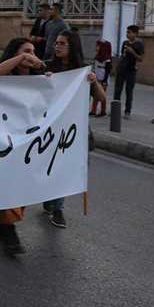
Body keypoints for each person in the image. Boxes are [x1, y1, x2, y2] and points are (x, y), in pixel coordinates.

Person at [42, 30, 106, 228]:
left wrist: (93, 80)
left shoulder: (82, 71)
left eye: (62, 43)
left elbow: (101, 98)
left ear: (72, 47)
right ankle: (49, 197)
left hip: (75, 130)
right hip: (52, 128)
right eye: (56, 43)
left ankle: (58, 208)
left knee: (68, 166)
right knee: (51, 166)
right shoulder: (48, 66)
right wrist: (46, 80)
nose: (57, 46)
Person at [0, 37, 47, 254]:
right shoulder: (8, 74)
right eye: (26, 51)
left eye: (33, 51)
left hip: (29, 141)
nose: (30, 55)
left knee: (22, 185)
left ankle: (0, 222)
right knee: (9, 183)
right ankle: (9, 229)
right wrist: (21, 58)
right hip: (5, 138)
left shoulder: (37, 77)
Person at [113, 25, 145, 117]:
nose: (127, 34)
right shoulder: (125, 42)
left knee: (129, 91)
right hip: (121, 69)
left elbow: (141, 58)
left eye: (129, 32)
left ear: (135, 33)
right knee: (118, 90)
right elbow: (122, 55)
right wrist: (118, 65)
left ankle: (127, 111)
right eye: (127, 32)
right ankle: (115, 110)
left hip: (131, 70)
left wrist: (132, 52)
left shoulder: (139, 44)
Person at [91, 40, 113, 117]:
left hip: (103, 79)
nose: (97, 47)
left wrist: (105, 80)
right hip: (96, 78)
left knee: (101, 95)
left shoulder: (107, 59)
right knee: (95, 94)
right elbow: (94, 67)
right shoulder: (97, 56)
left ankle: (103, 111)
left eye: (98, 46)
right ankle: (93, 110)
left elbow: (108, 70)